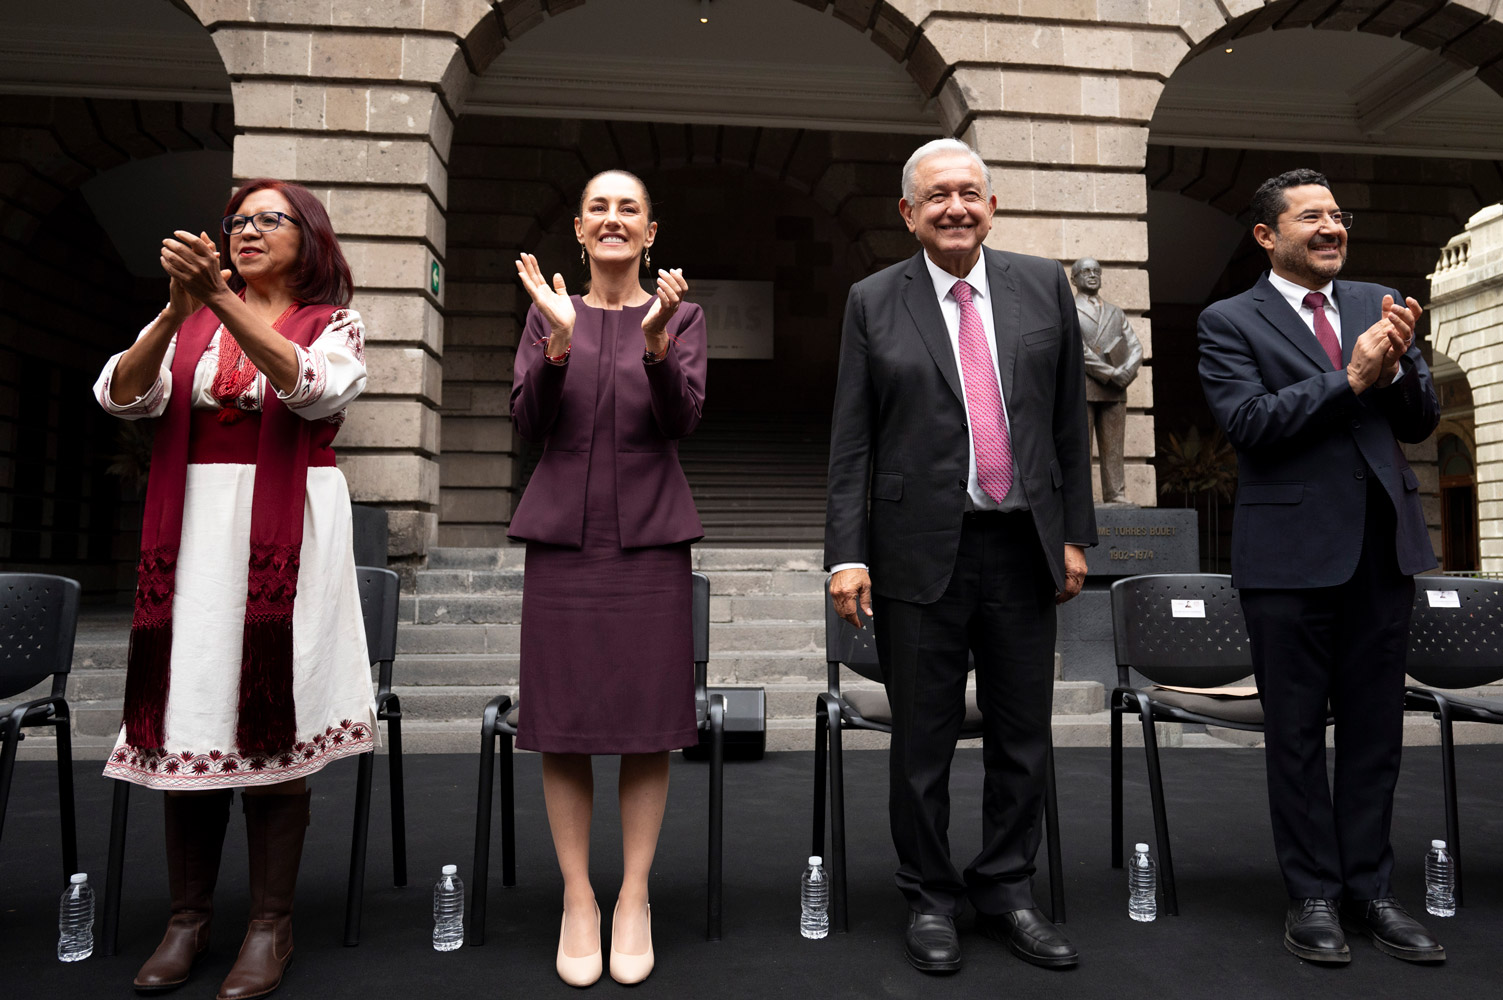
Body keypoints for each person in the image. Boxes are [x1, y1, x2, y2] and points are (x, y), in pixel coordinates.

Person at [93, 179, 375, 998]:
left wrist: (219, 294)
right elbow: (120, 393)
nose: (247, 231)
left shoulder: (336, 324)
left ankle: (268, 924)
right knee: (190, 712)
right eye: (237, 222)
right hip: (189, 535)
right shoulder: (188, 316)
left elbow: (312, 388)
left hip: (287, 538)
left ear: (308, 235)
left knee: (272, 713)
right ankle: (187, 918)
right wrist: (182, 311)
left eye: (268, 220)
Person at [824, 138, 1095, 973]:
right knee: (922, 744)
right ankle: (930, 897)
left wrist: (1075, 535)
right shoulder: (873, 300)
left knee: (1024, 735)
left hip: (1021, 549)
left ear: (990, 204)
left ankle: (1008, 889)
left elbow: (1066, 423)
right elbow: (852, 442)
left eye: (970, 192)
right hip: (914, 557)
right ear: (908, 214)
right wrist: (846, 555)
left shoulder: (1041, 284)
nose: (956, 207)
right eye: (937, 195)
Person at [1197, 168, 1443, 965]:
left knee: (1375, 736)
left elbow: (1419, 421)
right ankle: (1311, 896)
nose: (1331, 227)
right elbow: (1251, 425)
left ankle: (1370, 891)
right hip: (1289, 560)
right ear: (1267, 236)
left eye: (1336, 215)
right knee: (1296, 736)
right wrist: (1350, 377)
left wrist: (1400, 368)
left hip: (1382, 552)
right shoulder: (1229, 320)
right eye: (1311, 217)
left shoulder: (1381, 300)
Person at [507, 169, 706, 988]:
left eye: (629, 208)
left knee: (645, 720)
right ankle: (578, 897)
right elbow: (527, 421)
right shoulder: (546, 312)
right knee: (563, 721)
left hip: (650, 542)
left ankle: (633, 895)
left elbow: (682, 419)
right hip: (563, 543)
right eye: (599, 208)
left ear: (650, 231)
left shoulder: (683, 315)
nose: (614, 219)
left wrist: (657, 342)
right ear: (581, 231)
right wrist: (557, 339)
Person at [1070, 257, 1142, 504]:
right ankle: (1083, 498)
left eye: (1096, 271)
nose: (1092, 275)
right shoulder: (1068, 308)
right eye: (1086, 271)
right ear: (1074, 279)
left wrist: (1127, 372)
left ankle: (1115, 493)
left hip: (1115, 392)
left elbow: (1135, 346)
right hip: (1085, 388)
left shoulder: (1115, 311)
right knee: (1082, 448)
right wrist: (1111, 374)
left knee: (1114, 447)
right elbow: (1077, 350)